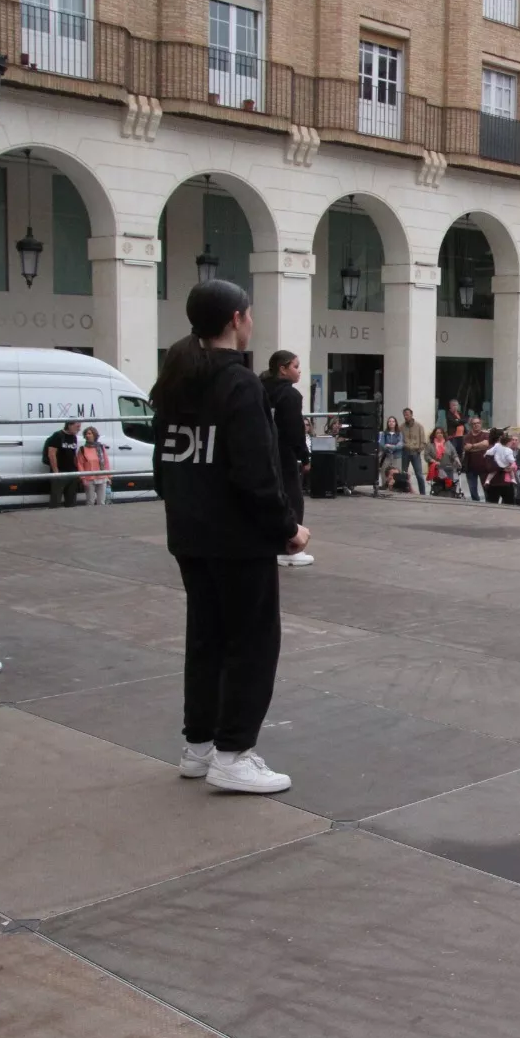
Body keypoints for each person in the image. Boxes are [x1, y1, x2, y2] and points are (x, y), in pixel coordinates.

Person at [152, 281, 308, 794]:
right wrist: (288, 528)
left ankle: (198, 745)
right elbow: (256, 474)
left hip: (191, 533)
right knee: (251, 644)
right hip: (238, 539)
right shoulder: (239, 386)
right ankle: (234, 751)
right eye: (251, 315)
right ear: (238, 319)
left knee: (206, 640)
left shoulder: (176, 379)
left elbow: (164, 465)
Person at [259, 351, 312, 567]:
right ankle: (291, 547)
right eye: (296, 367)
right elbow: (295, 431)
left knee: (271, 495)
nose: (299, 371)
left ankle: (274, 543)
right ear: (283, 368)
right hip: (284, 453)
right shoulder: (290, 396)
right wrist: (304, 456)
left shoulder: (260, 389)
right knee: (293, 497)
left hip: (263, 451)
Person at [44, 420, 81, 508]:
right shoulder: (57, 436)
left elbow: (73, 454)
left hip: (72, 471)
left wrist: (78, 471)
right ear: (69, 425)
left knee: (71, 499)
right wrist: (56, 471)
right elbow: (51, 454)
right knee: (56, 499)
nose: (79, 429)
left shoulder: (74, 437)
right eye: (77, 427)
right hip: (60, 470)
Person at [76, 426, 111, 506]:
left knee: (101, 502)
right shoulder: (82, 449)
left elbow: (106, 462)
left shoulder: (101, 447)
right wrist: (83, 478)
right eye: (86, 434)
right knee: (90, 502)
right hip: (89, 479)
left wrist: (109, 476)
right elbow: (80, 464)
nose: (87, 436)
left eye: (89, 433)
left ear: (94, 435)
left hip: (102, 478)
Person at [482, 428, 517, 504]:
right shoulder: (492, 449)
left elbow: (512, 463)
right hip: (496, 482)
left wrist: (513, 467)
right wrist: (504, 469)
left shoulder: (504, 449)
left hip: (504, 482)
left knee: (507, 504)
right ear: (500, 438)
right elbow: (489, 466)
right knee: (502, 505)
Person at [399, 407, 428, 496]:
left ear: (411, 415)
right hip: (405, 452)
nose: (406, 416)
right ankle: (403, 490)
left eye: (407, 414)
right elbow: (400, 439)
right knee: (403, 473)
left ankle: (422, 493)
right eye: (404, 415)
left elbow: (423, 441)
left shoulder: (419, 426)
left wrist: (419, 450)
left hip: (415, 453)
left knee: (419, 474)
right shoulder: (401, 427)